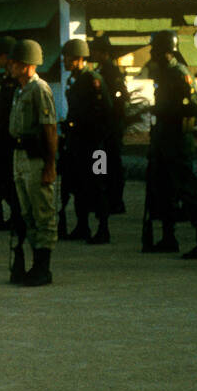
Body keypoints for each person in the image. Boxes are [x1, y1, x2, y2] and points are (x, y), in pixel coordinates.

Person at [143, 30, 197, 259]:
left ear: (166, 52)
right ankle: (168, 237)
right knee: (163, 191)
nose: (151, 53)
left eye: (155, 50)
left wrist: (169, 112)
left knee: (186, 190)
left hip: (178, 142)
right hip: (163, 140)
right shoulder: (161, 74)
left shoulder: (179, 73)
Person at [8, 38, 58, 285]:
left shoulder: (40, 89)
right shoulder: (20, 90)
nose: (11, 67)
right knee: (27, 213)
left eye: (16, 63)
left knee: (43, 213)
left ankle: (43, 267)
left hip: (36, 158)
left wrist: (50, 165)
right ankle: (34, 264)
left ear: (28, 64)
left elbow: (50, 129)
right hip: (20, 157)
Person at [60, 38, 112, 244]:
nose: (64, 61)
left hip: (96, 144)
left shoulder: (93, 79)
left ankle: (103, 228)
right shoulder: (73, 80)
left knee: (98, 185)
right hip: (78, 143)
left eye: (68, 57)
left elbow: (105, 112)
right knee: (78, 184)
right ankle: (82, 226)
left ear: (79, 59)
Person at [91, 38, 129, 215]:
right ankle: (103, 197)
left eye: (97, 51)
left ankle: (116, 201)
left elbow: (121, 97)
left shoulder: (112, 71)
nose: (94, 54)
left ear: (103, 52)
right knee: (100, 162)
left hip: (111, 125)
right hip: (101, 126)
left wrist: (113, 121)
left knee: (112, 163)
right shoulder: (98, 70)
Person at [0, 36, 20, 230]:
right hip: (3, 138)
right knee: (4, 180)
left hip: (14, 139)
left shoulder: (19, 82)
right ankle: (12, 213)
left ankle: (18, 215)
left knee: (14, 181)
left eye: (0, 56)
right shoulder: (3, 80)